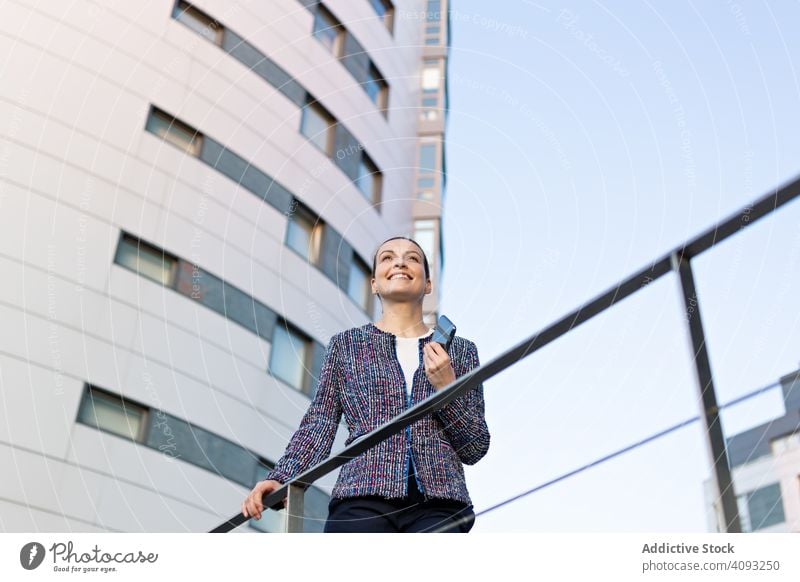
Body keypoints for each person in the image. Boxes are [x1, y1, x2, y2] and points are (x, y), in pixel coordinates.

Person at [241, 236, 490, 532]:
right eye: (387, 257)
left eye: (412, 258)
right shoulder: (346, 346)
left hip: (440, 505)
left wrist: (447, 389)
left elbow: (475, 446)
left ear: (427, 284)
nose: (399, 262)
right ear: (374, 283)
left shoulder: (460, 351)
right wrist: (282, 477)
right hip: (361, 498)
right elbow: (319, 422)